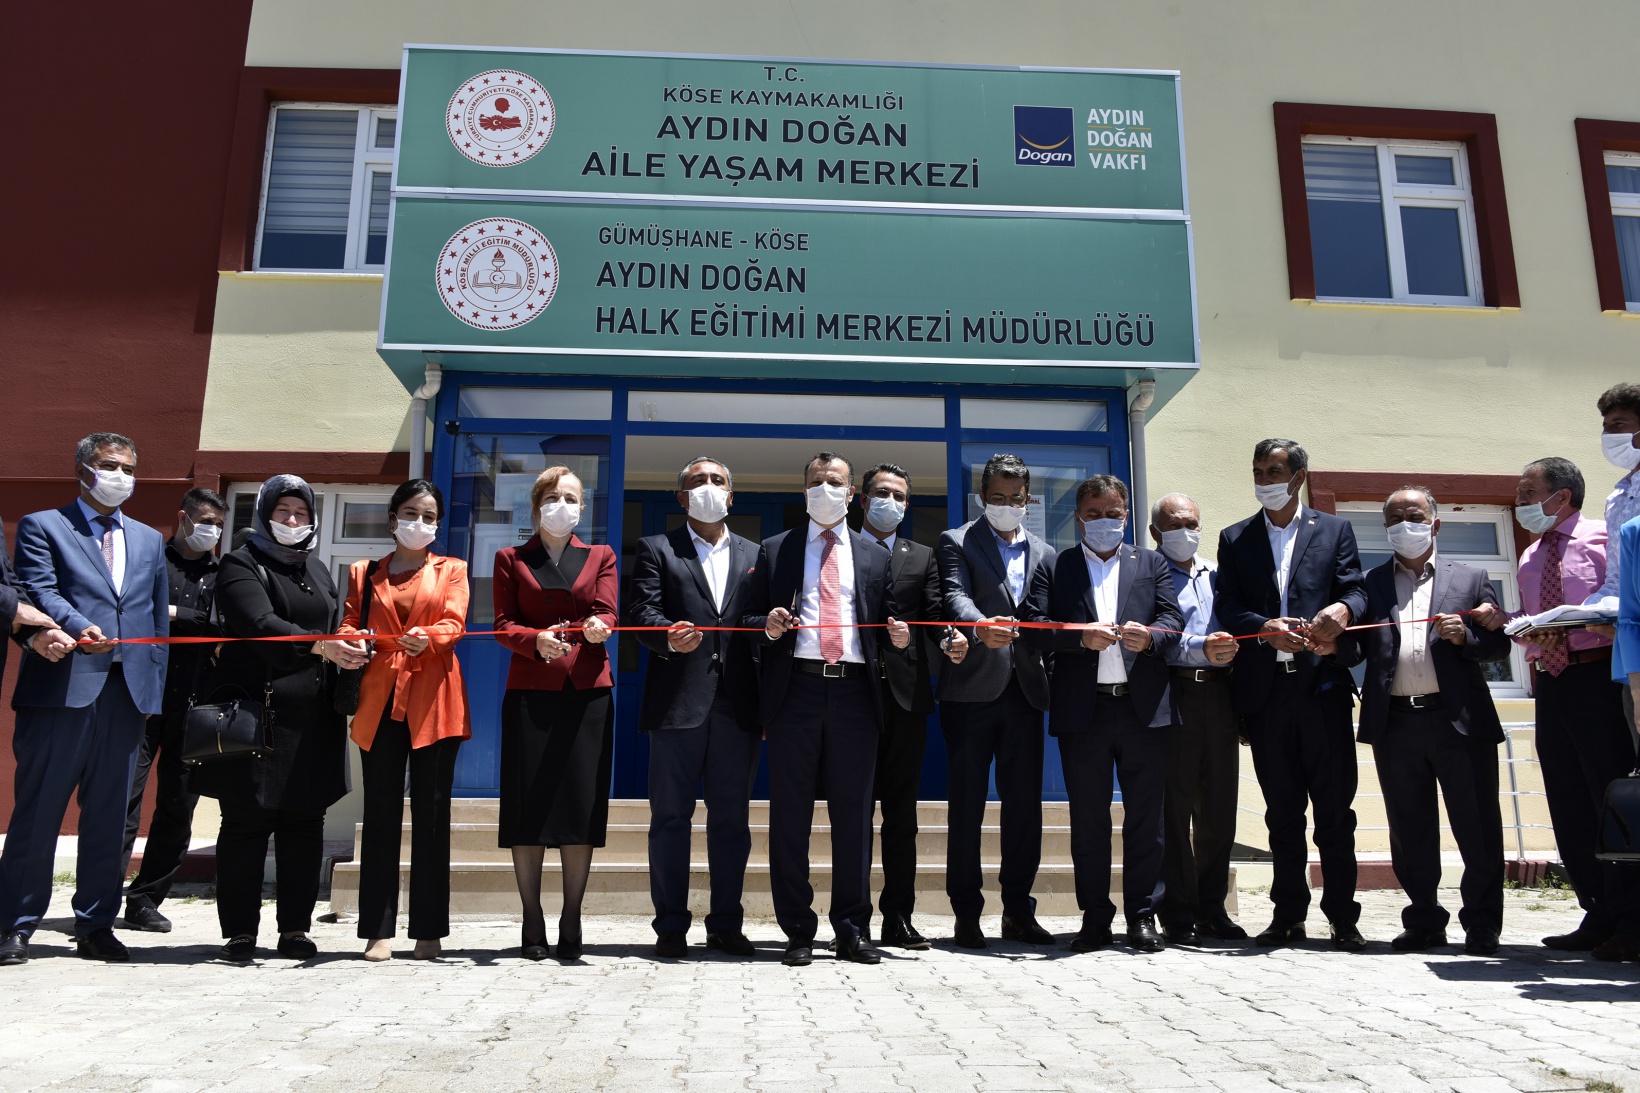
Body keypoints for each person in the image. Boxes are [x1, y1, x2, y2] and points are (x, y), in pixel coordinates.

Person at [0, 433, 169, 966]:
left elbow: (155, 617)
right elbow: (37, 590)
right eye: (108, 465)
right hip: (63, 687)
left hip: (127, 693)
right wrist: (78, 625)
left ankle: (96, 924)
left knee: (110, 817)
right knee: (39, 811)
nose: (120, 475)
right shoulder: (43, 525)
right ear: (82, 470)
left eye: (129, 468)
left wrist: (152, 689)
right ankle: (15, 925)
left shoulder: (149, 539)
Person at [1319, 487, 1510, 956]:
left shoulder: (1471, 577)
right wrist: (1332, 647)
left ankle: (1482, 924)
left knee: (1478, 825)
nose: (1405, 524)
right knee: (1409, 828)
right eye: (1395, 518)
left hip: (1459, 719)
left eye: (1415, 516)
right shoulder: (1372, 582)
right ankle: (1424, 920)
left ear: (1435, 524)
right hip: (1397, 721)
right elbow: (1357, 648)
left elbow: (1499, 645)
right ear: (1385, 529)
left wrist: (1466, 637)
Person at [741, 451, 909, 967]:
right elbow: (747, 617)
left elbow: (887, 621)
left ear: (852, 494)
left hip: (856, 693)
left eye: (835, 482)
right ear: (804, 491)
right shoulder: (776, 548)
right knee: (790, 816)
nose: (826, 490)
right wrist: (767, 626)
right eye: (817, 482)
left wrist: (900, 637)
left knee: (854, 816)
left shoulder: (874, 554)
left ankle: (852, 929)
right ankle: (797, 929)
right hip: (796, 692)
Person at [191, 475, 364, 963]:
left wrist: (349, 645)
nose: (292, 520)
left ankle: (294, 930)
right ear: (264, 514)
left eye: (301, 513)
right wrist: (320, 645)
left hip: (313, 716)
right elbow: (258, 623)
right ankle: (240, 932)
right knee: (246, 823)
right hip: (257, 714)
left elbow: (334, 621)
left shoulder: (317, 568)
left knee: (305, 824)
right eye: (283, 511)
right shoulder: (240, 563)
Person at [1214, 438, 1368, 951]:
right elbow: (1227, 605)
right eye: (1257, 471)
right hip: (1266, 695)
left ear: (1299, 477)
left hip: (1322, 689)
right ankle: (1287, 916)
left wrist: (1344, 610)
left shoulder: (1334, 530)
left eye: (1274, 471)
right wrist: (1263, 628)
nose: (1264, 480)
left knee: (1334, 814)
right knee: (1282, 814)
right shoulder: (1235, 537)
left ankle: (1343, 917)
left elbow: (1356, 589)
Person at [1023, 475, 1183, 953]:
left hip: (1143, 710)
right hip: (1084, 711)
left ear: (1126, 516)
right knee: (1089, 820)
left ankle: (1142, 915)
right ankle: (1095, 917)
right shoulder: (1057, 565)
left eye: (1112, 514)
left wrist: (1151, 636)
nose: (1103, 522)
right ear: (1078, 517)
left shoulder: (1151, 562)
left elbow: (1173, 619)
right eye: (1093, 514)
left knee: (1146, 821)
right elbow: (1034, 626)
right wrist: (1079, 636)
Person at [627, 457, 762, 959]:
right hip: (677, 702)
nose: (709, 487)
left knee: (732, 821)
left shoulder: (756, 553)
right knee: (670, 819)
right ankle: (670, 926)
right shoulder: (657, 548)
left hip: (738, 706)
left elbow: (755, 618)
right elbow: (641, 611)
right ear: (682, 498)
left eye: (717, 481)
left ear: (732, 495)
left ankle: (726, 923)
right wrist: (666, 635)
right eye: (697, 481)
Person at [1507, 456, 1640, 957]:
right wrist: (1514, 624)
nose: (1520, 502)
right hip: (1552, 682)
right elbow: (1532, 617)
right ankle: (1596, 911)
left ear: (1561, 496)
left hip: (1599, 677)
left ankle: (1631, 918)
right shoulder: (1529, 555)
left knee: (1609, 798)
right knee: (1568, 801)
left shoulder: (1606, 537)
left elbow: (1624, 602)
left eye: (1527, 493)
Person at [340, 479, 470, 962]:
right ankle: (377, 930)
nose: (420, 523)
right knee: (380, 815)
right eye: (412, 513)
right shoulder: (363, 571)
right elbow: (350, 621)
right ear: (393, 518)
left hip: (434, 699)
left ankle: (429, 930)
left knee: (432, 815)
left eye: (429, 516)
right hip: (379, 700)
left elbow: (455, 622)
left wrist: (430, 637)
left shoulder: (452, 568)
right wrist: (349, 641)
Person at [492, 466, 617, 962]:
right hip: (531, 691)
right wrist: (533, 640)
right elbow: (503, 624)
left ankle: (571, 915)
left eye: (570, 497)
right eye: (551, 497)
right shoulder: (510, 558)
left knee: (580, 804)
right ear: (535, 506)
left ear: (582, 507)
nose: (560, 505)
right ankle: (531, 915)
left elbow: (608, 611)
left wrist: (599, 625)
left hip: (587, 692)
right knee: (529, 803)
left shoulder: (601, 555)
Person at [936, 453, 1055, 950]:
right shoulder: (957, 541)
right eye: (998, 497)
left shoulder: (1046, 552)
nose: (1008, 504)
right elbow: (954, 595)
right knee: (967, 806)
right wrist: (979, 625)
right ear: (982, 497)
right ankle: (966, 915)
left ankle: (1018, 912)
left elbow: (1045, 616)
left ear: (1028, 499)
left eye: (1016, 498)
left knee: (1024, 808)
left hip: (1025, 692)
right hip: (971, 691)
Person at [856, 462, 967, 950]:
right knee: (854, 814)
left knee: (901, 815)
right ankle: (852, 917)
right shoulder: (839, 548)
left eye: (900, 496)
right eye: (882, 493)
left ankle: (898, 916)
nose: (891, 502)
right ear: (863, 500)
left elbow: (936, 615)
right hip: (852, 697)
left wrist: (948, 639)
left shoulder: (921, 555)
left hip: (906, 699)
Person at [119, 487, 225, 935]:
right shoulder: (150, 561)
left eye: (218, 525)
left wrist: (174, 612)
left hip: (195, 704)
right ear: (183, 518)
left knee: (178, 806)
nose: (212, 531)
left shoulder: (223, 573)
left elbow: (222, 624)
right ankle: (100, 896)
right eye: (205, 521)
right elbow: (132, 612)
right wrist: (184, 617)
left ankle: (145, 899)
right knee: (122, 800)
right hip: (141, 700)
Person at [1148, 492, 1245, 944]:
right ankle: (1177, 911)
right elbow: (1157, 636)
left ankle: (1213, 909)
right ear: (1155, 532)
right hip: (1175, 693)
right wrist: (1199, 647)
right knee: (1175, 809)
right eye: (1174, 526)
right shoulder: (1147, 575)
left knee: (1219, 809)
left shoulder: (1218, 575)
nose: (1185, 532)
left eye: (1192, 524)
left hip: (1221, 695)